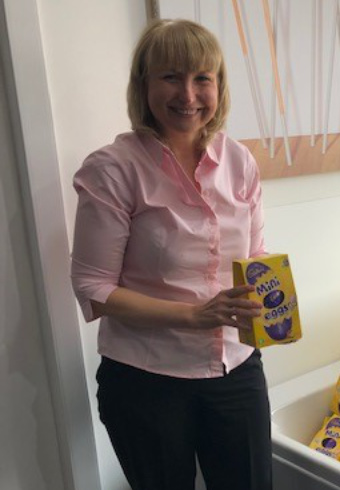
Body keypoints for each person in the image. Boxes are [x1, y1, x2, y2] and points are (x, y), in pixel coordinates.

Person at [71, 19, 272, 490]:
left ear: (219, 86)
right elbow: (93, 287)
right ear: (143, 85)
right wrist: (193, 316)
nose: (188, 94)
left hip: (236, 367)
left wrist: (271, 301)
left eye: (202, 78)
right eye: (170, 76)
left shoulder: (239, 161)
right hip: (147, 380)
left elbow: (256, 255)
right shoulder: (113, 170)